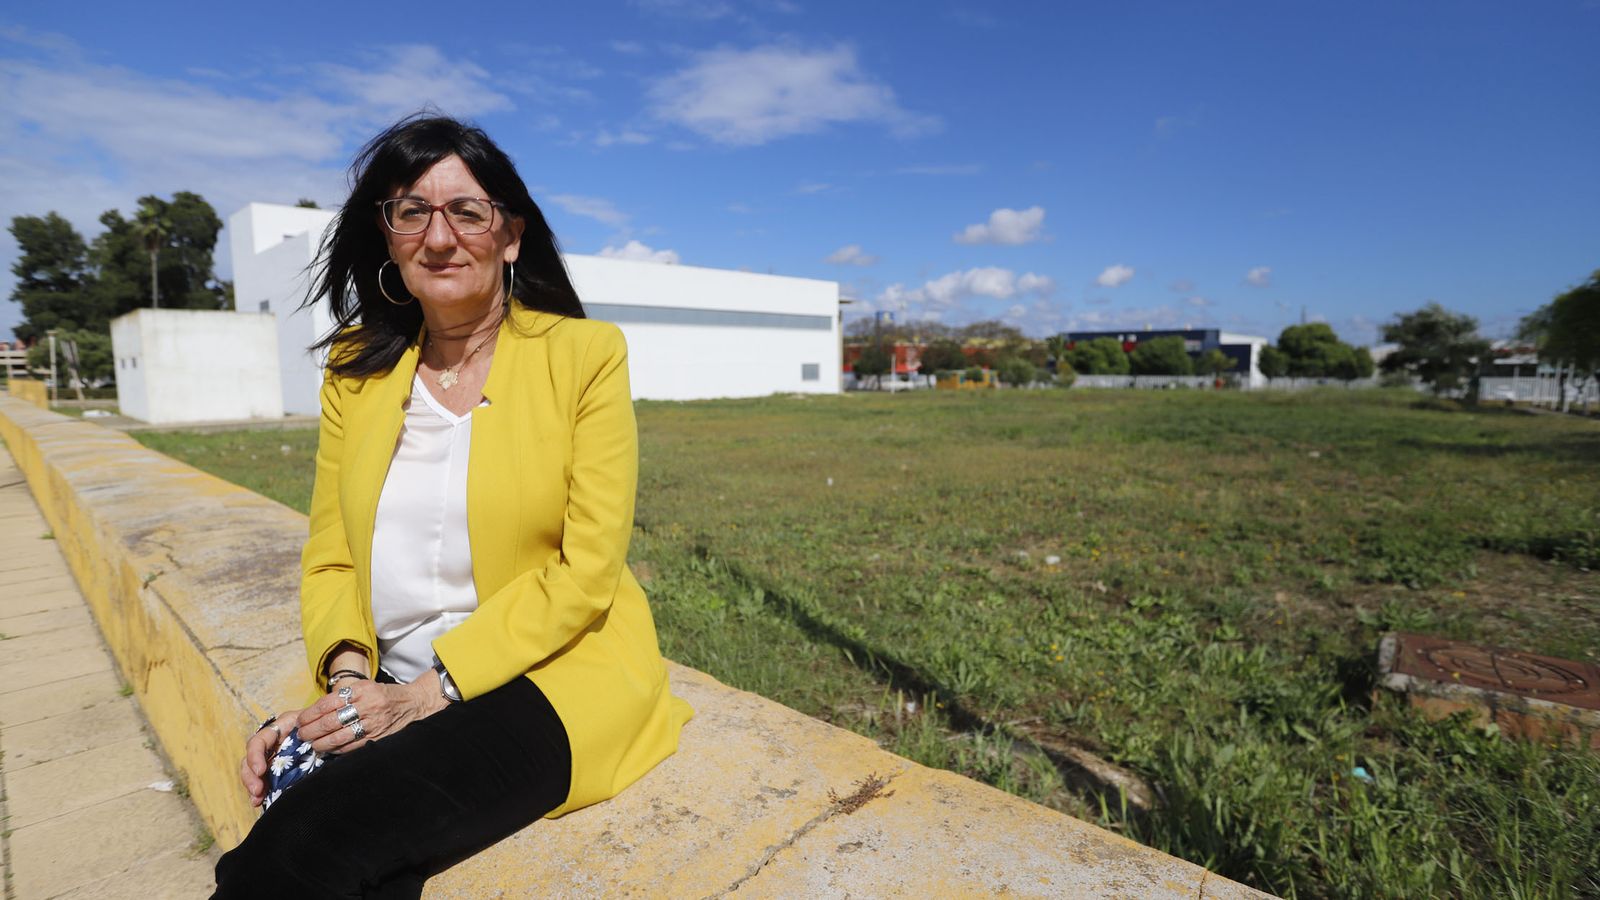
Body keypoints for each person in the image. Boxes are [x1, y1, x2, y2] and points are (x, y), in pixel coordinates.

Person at [213, 114, 692, 897]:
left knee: (301, 844)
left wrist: (423, 695)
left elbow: (586, 570)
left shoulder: (584, 356)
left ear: (510, 236)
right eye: (412, 211)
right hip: (390, 675)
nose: (439, 238)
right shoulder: (353, 373)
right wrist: (345, 686)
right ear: (388, 236)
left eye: (466, 211)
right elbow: (332, 552)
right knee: (361, 858)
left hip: (547, 675)